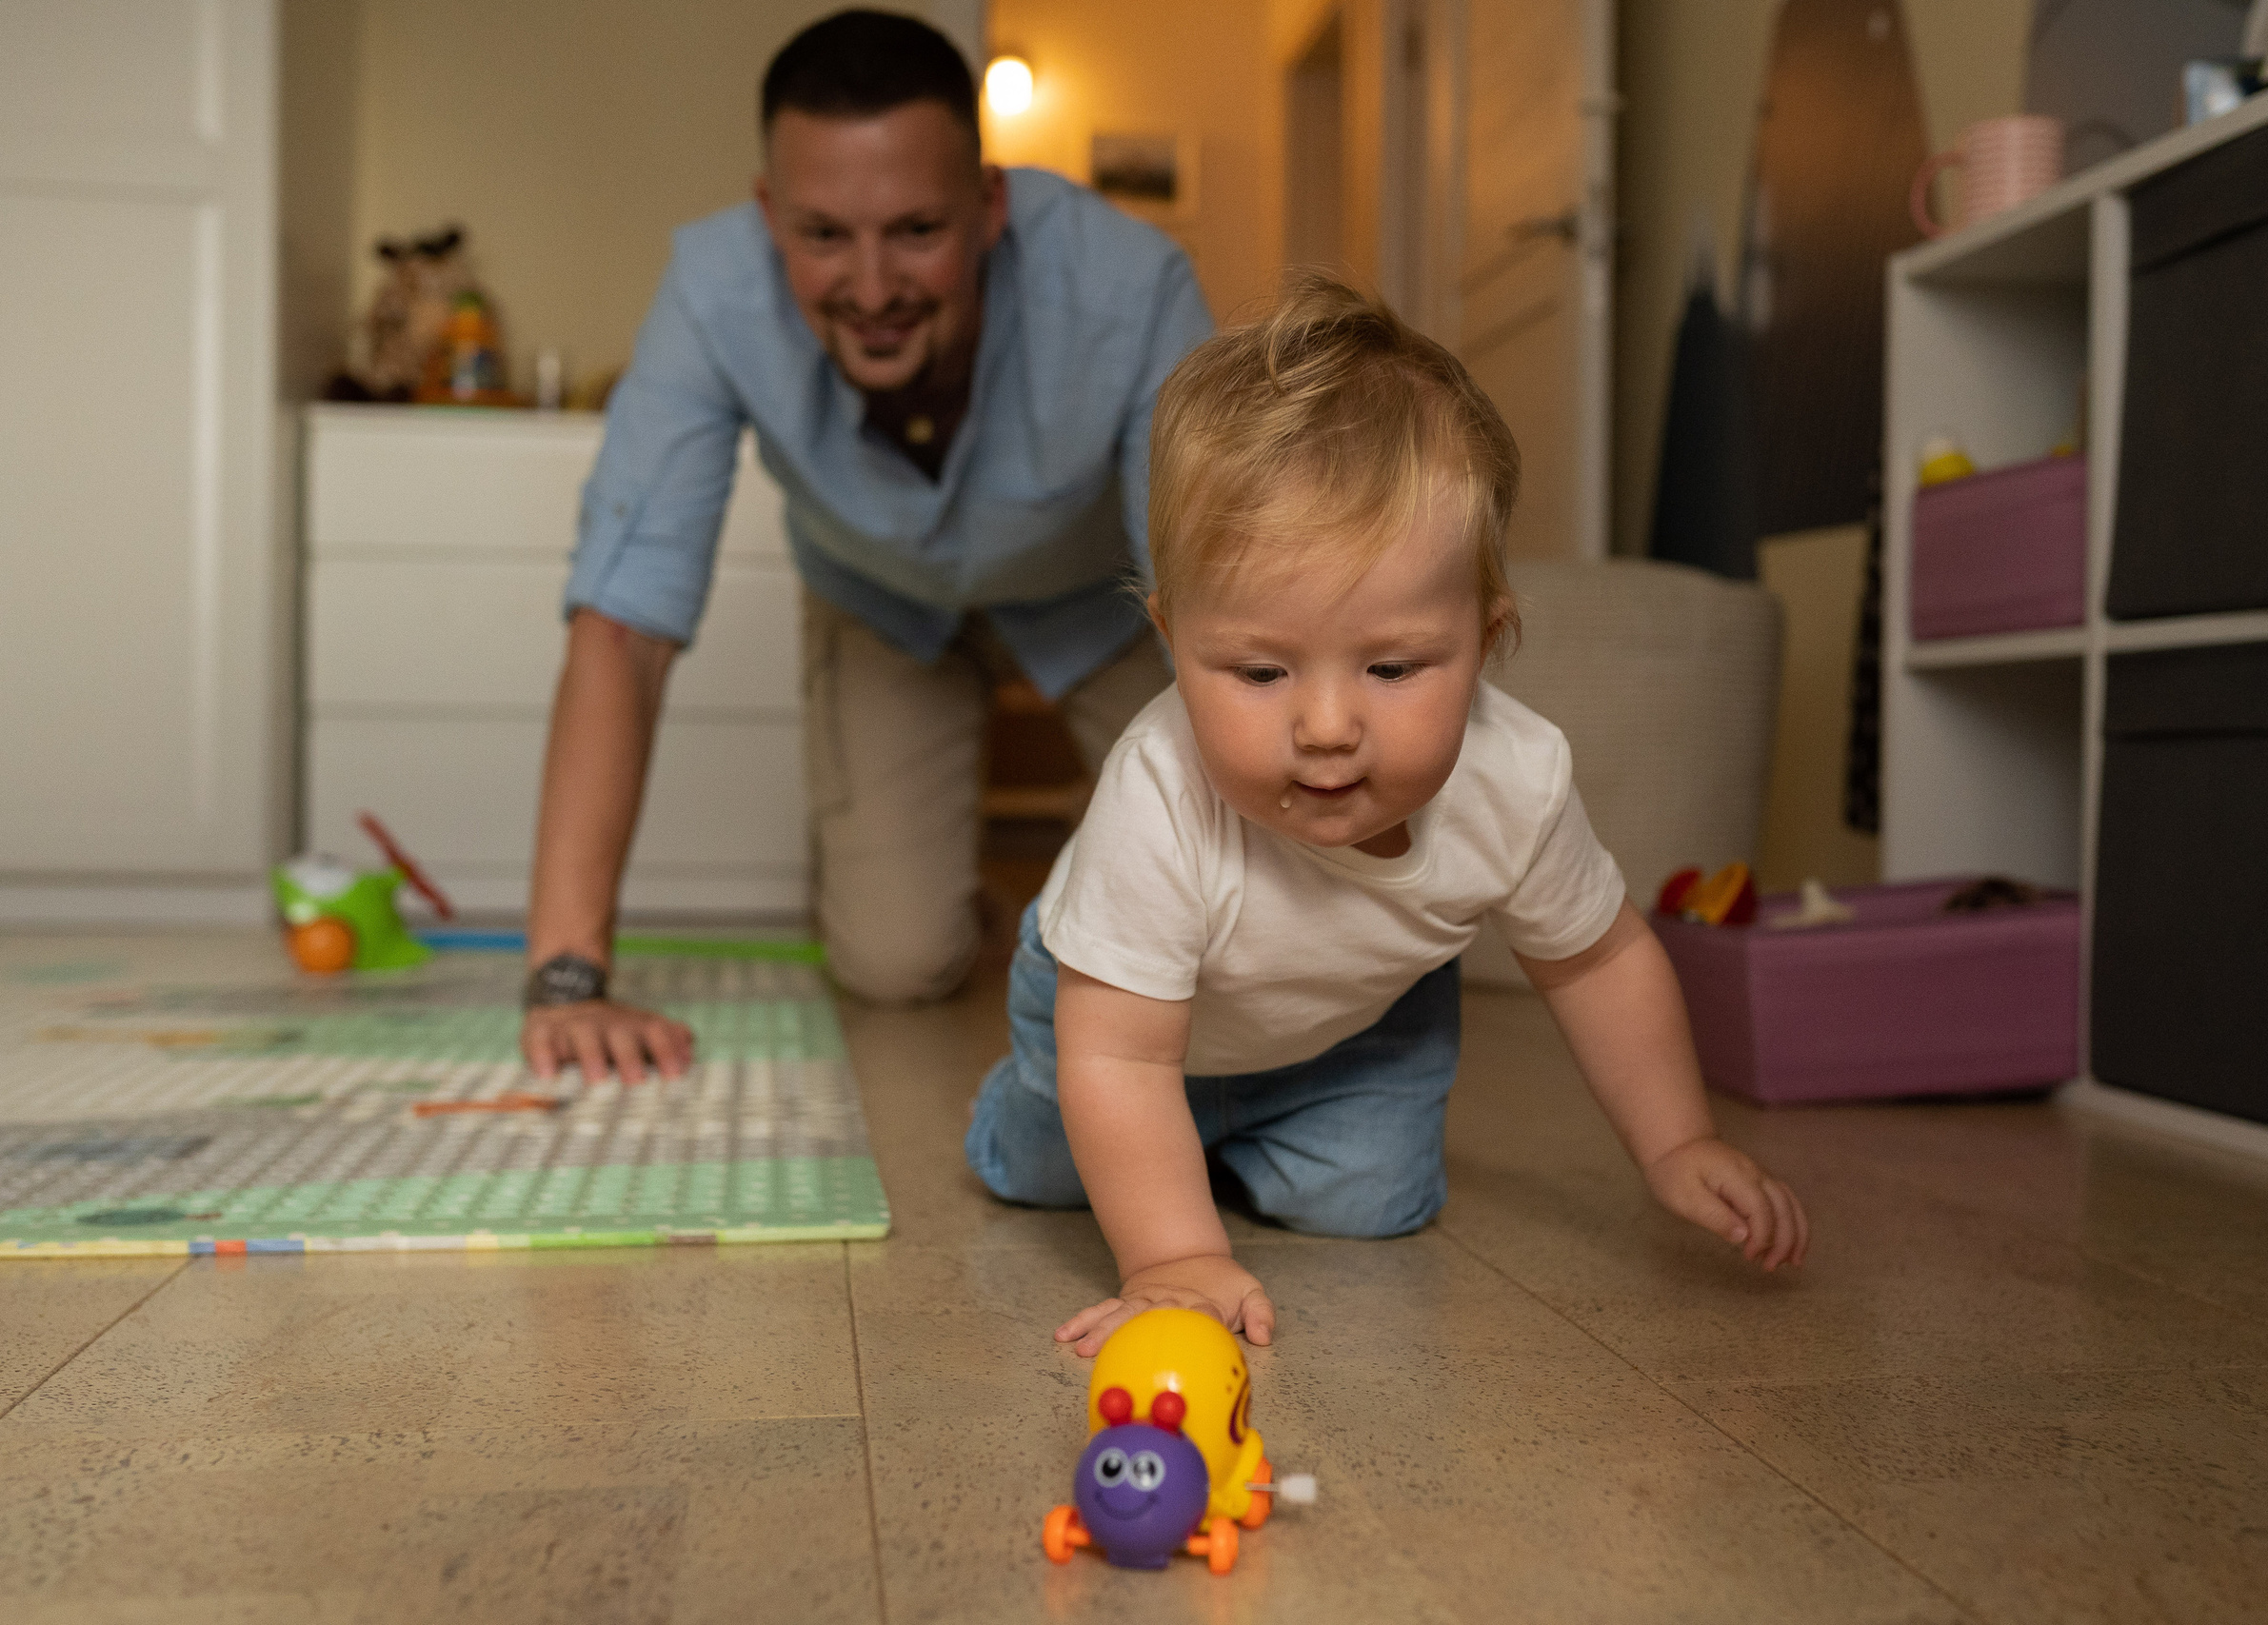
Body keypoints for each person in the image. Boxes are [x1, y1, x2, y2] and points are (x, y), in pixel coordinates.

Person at [963, 275, 1810, 1356]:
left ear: (1488, 637)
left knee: (1375, 1207)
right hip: (1109, 1020)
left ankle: (1226, 1142)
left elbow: (1597, 961)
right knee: (1047, 1167)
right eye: (1262, 672)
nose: (1326, 726)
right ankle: (1091, 1134)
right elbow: (1121, 1059)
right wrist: (1173, 1257)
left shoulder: (1518, 775)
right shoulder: (1157, 796)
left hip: (1346, 1030)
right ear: (1175, 642)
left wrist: (1678, 1139)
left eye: (1394, 666)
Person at [520, 10, 1210, 1082]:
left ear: (989, 206)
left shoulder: (1134, 286)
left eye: (918, 232)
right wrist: (567, 976)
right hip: (880, 598)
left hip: (1102, 592)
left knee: (1219, 896)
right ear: (768, 215)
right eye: (824, 236)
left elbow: (1214, 596)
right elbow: (624, 623)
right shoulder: (711, 293)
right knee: (894, 958)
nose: (875, 288)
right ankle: (962, 898)